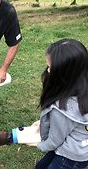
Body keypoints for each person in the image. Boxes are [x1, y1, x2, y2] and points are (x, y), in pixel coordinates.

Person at [30, 39, 88, 169]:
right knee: (41, 166)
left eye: (50, 67)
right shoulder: (83, 86)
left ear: (64, 74)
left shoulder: (63, 109)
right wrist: (42, 123)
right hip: (81, 144)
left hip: (72, 157)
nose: (48, 70)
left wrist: (36, 143)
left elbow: (54, 141)